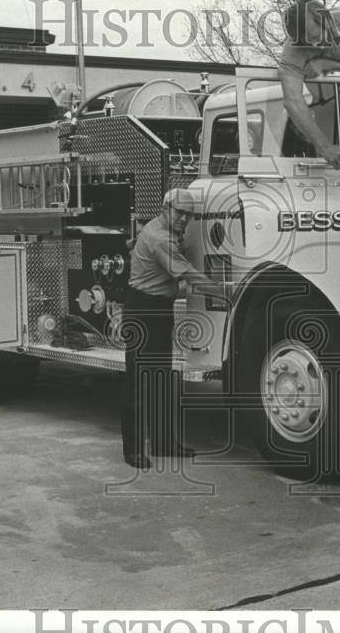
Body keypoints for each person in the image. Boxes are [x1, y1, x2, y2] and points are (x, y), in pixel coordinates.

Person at [120, 188, 226, 470]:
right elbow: (188, 274)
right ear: (165, 207)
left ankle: (164, 443)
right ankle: (132, 451)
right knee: (138, 382)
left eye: (188, 215)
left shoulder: (161, 229)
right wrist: (224, 292)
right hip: (143, 310)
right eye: (178, 212)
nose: (183, 219)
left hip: (157, 308)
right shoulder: (160, 238)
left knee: (161, 379)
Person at [277, 0, 340, 169]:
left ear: (326, 20)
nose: (314, 45)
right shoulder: (292, 49)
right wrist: (324, 147)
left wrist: (326, 65)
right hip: (324, 109)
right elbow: (292, 100)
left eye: (316, 37)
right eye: (307, 43)